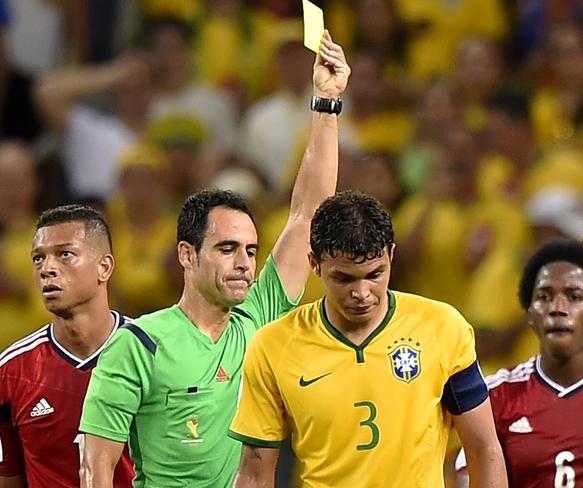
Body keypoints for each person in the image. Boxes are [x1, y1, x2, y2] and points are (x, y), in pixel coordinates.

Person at [79, 32, 351, 488]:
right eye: (227, 249)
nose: (244, 262)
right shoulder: (139, 344)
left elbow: (307, 215)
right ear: (187, 254)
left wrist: (325, 103)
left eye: (249, 250)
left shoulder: (257, 317)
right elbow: (97, 468)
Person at [228, 190, 507, 487]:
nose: (361, 293)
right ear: (314, 263)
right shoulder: (273, 345)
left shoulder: (443, 328)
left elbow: (483, 448)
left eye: (374, 274)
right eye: (344, 278)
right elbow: (255, 474)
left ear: (391, 255)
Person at [456, 239, 583, 487]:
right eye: (545, 297)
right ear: (529, 313)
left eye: (574, 296)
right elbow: (469, 478)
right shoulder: (494, 395)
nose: (558, 308)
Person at [0, 204, 134, 487]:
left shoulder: (152, 353)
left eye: (65, 254)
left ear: (104, 267)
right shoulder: (11, 371)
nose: (47, 269)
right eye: (38, 258)